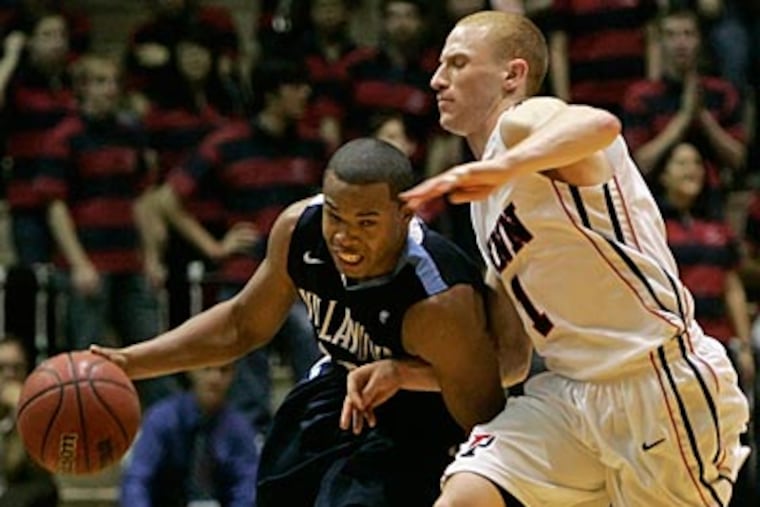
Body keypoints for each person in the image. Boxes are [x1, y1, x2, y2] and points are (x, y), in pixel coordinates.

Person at [400, 10, 751, 506]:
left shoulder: (527, 122)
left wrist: (506, 167)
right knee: (465, 494)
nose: (438, 79)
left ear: (512, 75)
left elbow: (599, 125)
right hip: (569, 395)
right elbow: (511, 361)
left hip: (655, 382)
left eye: (457, 63)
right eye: (440, 66)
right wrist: (403, 373)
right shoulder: (484, 202)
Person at [93, 137, 510, 507]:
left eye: (366, 222)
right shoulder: (300, 229)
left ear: (405, 214)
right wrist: (130, 363)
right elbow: (242, 325)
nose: (345, 237)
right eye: (336, 216)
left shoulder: (436, 299)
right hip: (336, 387)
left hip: (422, 418)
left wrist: (404, 374)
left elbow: (482, 406)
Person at [120, 362, 259, 507]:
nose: (215, 378)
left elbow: (247, 486)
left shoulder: (239, 428)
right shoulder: (162, 419)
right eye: (207, 369)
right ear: (191, 370)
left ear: (233, 374)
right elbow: (138, 479)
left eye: (224, 371)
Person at [0, 336, 59, 507]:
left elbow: (25, 469)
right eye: (1, 368)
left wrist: (23, 412)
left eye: (17, 368)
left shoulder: (38, 416)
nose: (10, 375)